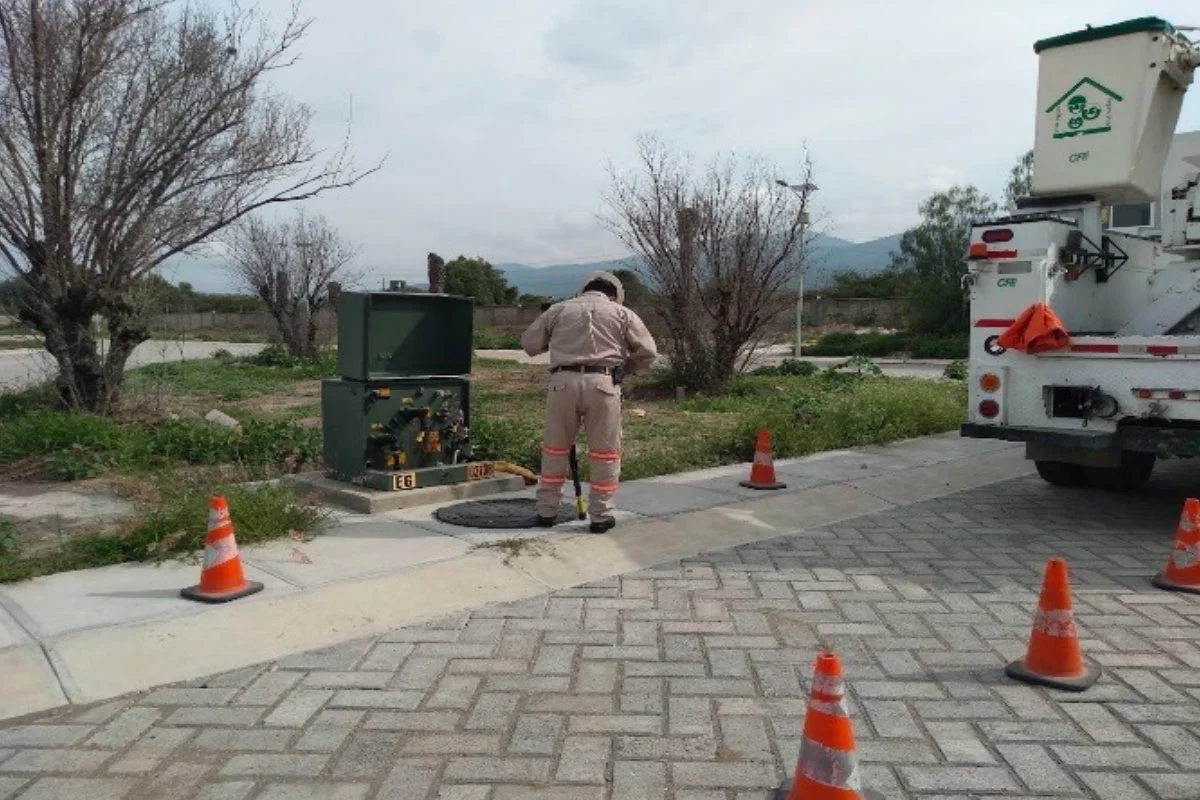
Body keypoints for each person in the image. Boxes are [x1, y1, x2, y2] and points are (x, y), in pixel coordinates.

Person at [521, 270, 658, 532]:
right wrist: (625, 369)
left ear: (583, 290)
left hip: (562, 383)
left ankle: (546, 512)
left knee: (555, 449)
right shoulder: (622, 313)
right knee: (605, 452)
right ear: (614, 294)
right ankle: (601, 516)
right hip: (604, 385)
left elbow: (529, 344)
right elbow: (648, 352)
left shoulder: (559, 310)